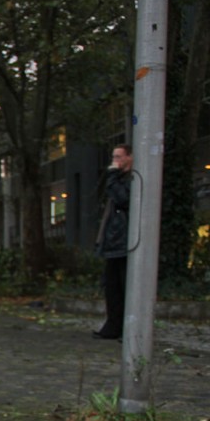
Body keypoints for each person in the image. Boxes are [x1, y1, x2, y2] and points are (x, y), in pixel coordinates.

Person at [93, 144, 132, 339]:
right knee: (112, 286)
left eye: (119, 156)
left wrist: (113, 177)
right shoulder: (115, 179)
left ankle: (126, 327)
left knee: (124, 285)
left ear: (129, 158)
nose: (115, 160)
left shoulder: (131, 179)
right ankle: (113, 325)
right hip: (113, 241)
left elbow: (123, 198)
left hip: (125, 241)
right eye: (113, 156)